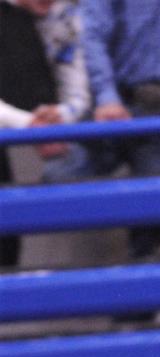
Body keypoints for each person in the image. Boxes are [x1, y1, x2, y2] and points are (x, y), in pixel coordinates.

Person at [41, 0, 160, 263]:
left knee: (154, 233)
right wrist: (107, 98)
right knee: (57, 178)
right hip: (116, 105)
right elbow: (94, 36)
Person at [0, 0, 89, 266]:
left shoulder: (63, 16)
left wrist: (61, 113)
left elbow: (77, 83)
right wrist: (29, 124)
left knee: (5, 243)